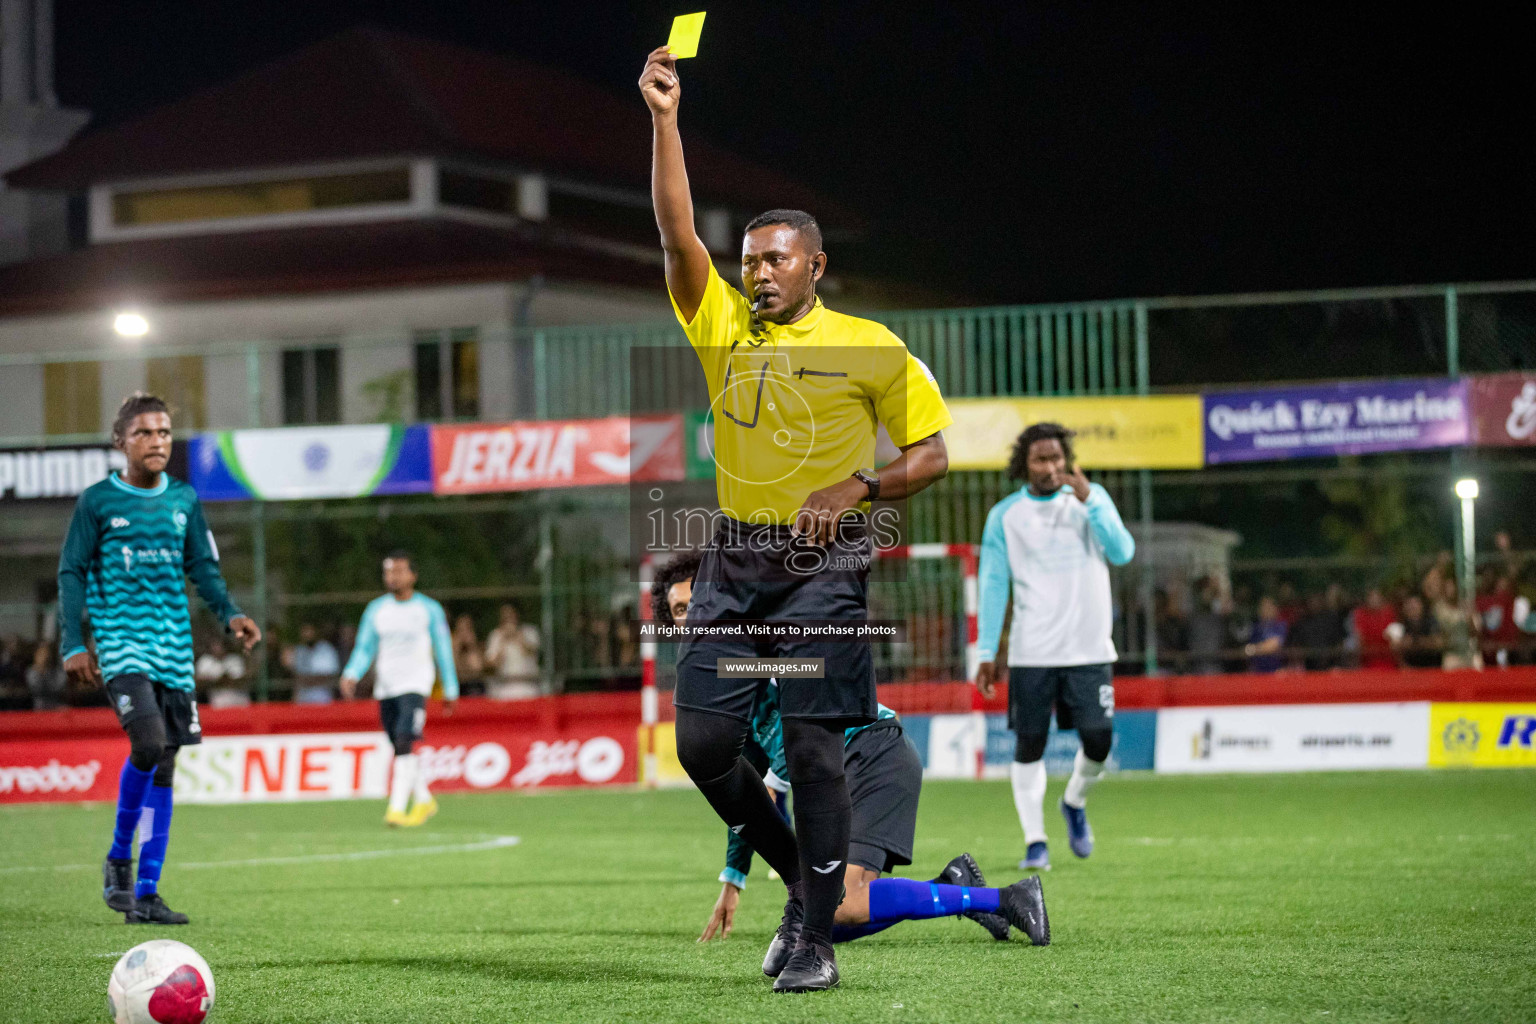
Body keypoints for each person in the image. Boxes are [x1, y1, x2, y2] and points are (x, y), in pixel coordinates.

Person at [640, 45, 954, 992]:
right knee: (702, 746)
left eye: (776, 259)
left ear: (816, 264)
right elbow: (676, 235)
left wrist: (855, 489)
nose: (759, 272)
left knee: (816, 751)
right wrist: (664, 120)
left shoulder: (871, 346)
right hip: (736, 562)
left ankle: (814, 942)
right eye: (751, 260)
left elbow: (934, 455)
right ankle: (801, 886)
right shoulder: (724, 327)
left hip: (824, 569)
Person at [650, 553, 1048, 952]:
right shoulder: (719, 681)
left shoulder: (761, 644)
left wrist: (774, 784)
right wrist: (734, 880)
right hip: (835, 773)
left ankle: (1008, 898)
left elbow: (805, 715)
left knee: (836, 909)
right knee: (827, 917)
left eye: (697, 602)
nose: (691, 617)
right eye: (680, 610)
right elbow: (745, 790)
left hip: (870, 751)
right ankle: (952, 886)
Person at [58, 392, 262, 925]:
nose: (157, 441)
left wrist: (230, 613)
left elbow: (203, 566)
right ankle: (118, 861)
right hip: (123, 644)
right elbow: (71, 572)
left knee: (166, 766)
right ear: (121, 442)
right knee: (147, 743)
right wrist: (73, 643)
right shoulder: (98, 501)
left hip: (174, 650)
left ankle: (147, 893)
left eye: (165, 432)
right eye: (145, 433)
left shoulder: (185, 500)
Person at [974, 422, 1136, 873]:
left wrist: (1092, 501)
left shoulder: (1090, 501)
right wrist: (987, 652)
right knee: (1029, 745)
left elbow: (1123, 552)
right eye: (1041, 459)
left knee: (1099, 741)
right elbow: (993, 586)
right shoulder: (1005, 516)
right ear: (1024, 464)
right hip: (1033, 653)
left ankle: (1074, 801)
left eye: (1057, 458)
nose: (1052, 467)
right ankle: (1035, 842)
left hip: (1090, 650)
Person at [340, 552, 458, 827]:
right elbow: (365, 647)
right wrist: (351, 674)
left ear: (413, 575)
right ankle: (425, 800)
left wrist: (450, 687)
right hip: (387, 687)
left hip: (416, 685)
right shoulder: (376, 610)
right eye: (388, 571)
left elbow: (443, 649)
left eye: (399, 571)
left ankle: (396, 809)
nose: (393, 576)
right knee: (399, 746)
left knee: (405, 740)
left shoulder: (429, 609)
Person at [484, 604, 541, 700]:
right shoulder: (495, 635)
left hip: (529, 686)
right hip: (504, 688)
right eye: (505, 616)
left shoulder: (530, 631)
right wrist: (502, 642)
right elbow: (491, 665)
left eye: (511, 614)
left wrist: (518, 636)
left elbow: (532, 652)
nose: (508, 618)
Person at [287, 623, 339, 704]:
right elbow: (297, 677)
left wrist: (308, 679)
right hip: (302, 700)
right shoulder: (299, 650)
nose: (307, 634)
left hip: (323, 699)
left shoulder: (327, 649)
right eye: (305, 631)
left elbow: (329, 676)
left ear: (315, 632)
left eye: (310, 631)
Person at [1389, 594, 1441, 669]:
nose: (1412, 607)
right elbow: (1394, 647)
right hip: (1409, 668)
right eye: (1409, 605)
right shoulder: (1401, 624)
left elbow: (1438, 642)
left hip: (1431, 666)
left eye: (1415, 604)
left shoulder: (1431, 621)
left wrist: (1417, 642)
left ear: (1422, 606)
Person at [1351, 589, 1399, 670]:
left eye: (1377, 597)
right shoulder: (1360, 614)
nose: (1374, 600)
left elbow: (1395, 639)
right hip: (1367, 661)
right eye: (1372, 597)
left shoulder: (1390, 613)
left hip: (1388, 660)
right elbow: (1359, 638)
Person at [1245, 597, 1288, 673]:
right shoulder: (1255, 627)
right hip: (1257, 671)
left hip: (1276, 671)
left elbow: (1274, 645)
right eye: (1263, 606)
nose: (1265, 610)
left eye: (1269, 607)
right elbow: (1247, 646)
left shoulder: (1280, 625)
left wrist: (1254, 649)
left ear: (1275, 609)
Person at [451, 613, 486, 695]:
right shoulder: (452, 645)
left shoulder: (476, 647)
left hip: (475, 687)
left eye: (467, 629)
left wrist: (471, 647)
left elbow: (477, 668)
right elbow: (452, 668)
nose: (464, 634)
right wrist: (457, 649)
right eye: (461, 630)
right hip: (459, 688)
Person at [26, 643, 67, 710]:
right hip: (39, 707)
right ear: (35, 656)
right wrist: (41, 672)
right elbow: (37, 690)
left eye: (47, 654)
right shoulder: (31, 672)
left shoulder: (54, 671)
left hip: (55, 705)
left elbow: (59, 686)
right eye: (41, 655)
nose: (45, 657)